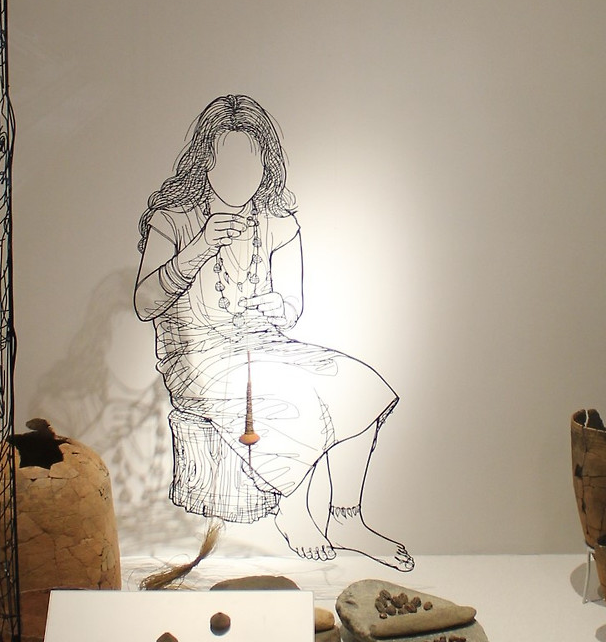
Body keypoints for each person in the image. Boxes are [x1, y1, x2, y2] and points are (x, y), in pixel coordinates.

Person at [135, 94, 412, 570]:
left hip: (265, 344)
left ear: (267, 165)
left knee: (362, 384)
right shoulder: (174, 218)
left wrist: (277, 307)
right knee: (292, 397)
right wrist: (199, 247)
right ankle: (297, 511)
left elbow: (291, 305)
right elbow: (144, 304)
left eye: (252, 163)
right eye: (227, 163)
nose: (240, 176)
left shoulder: (277, 222)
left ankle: (346, 516)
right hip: (196, 355)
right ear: (205, 162)